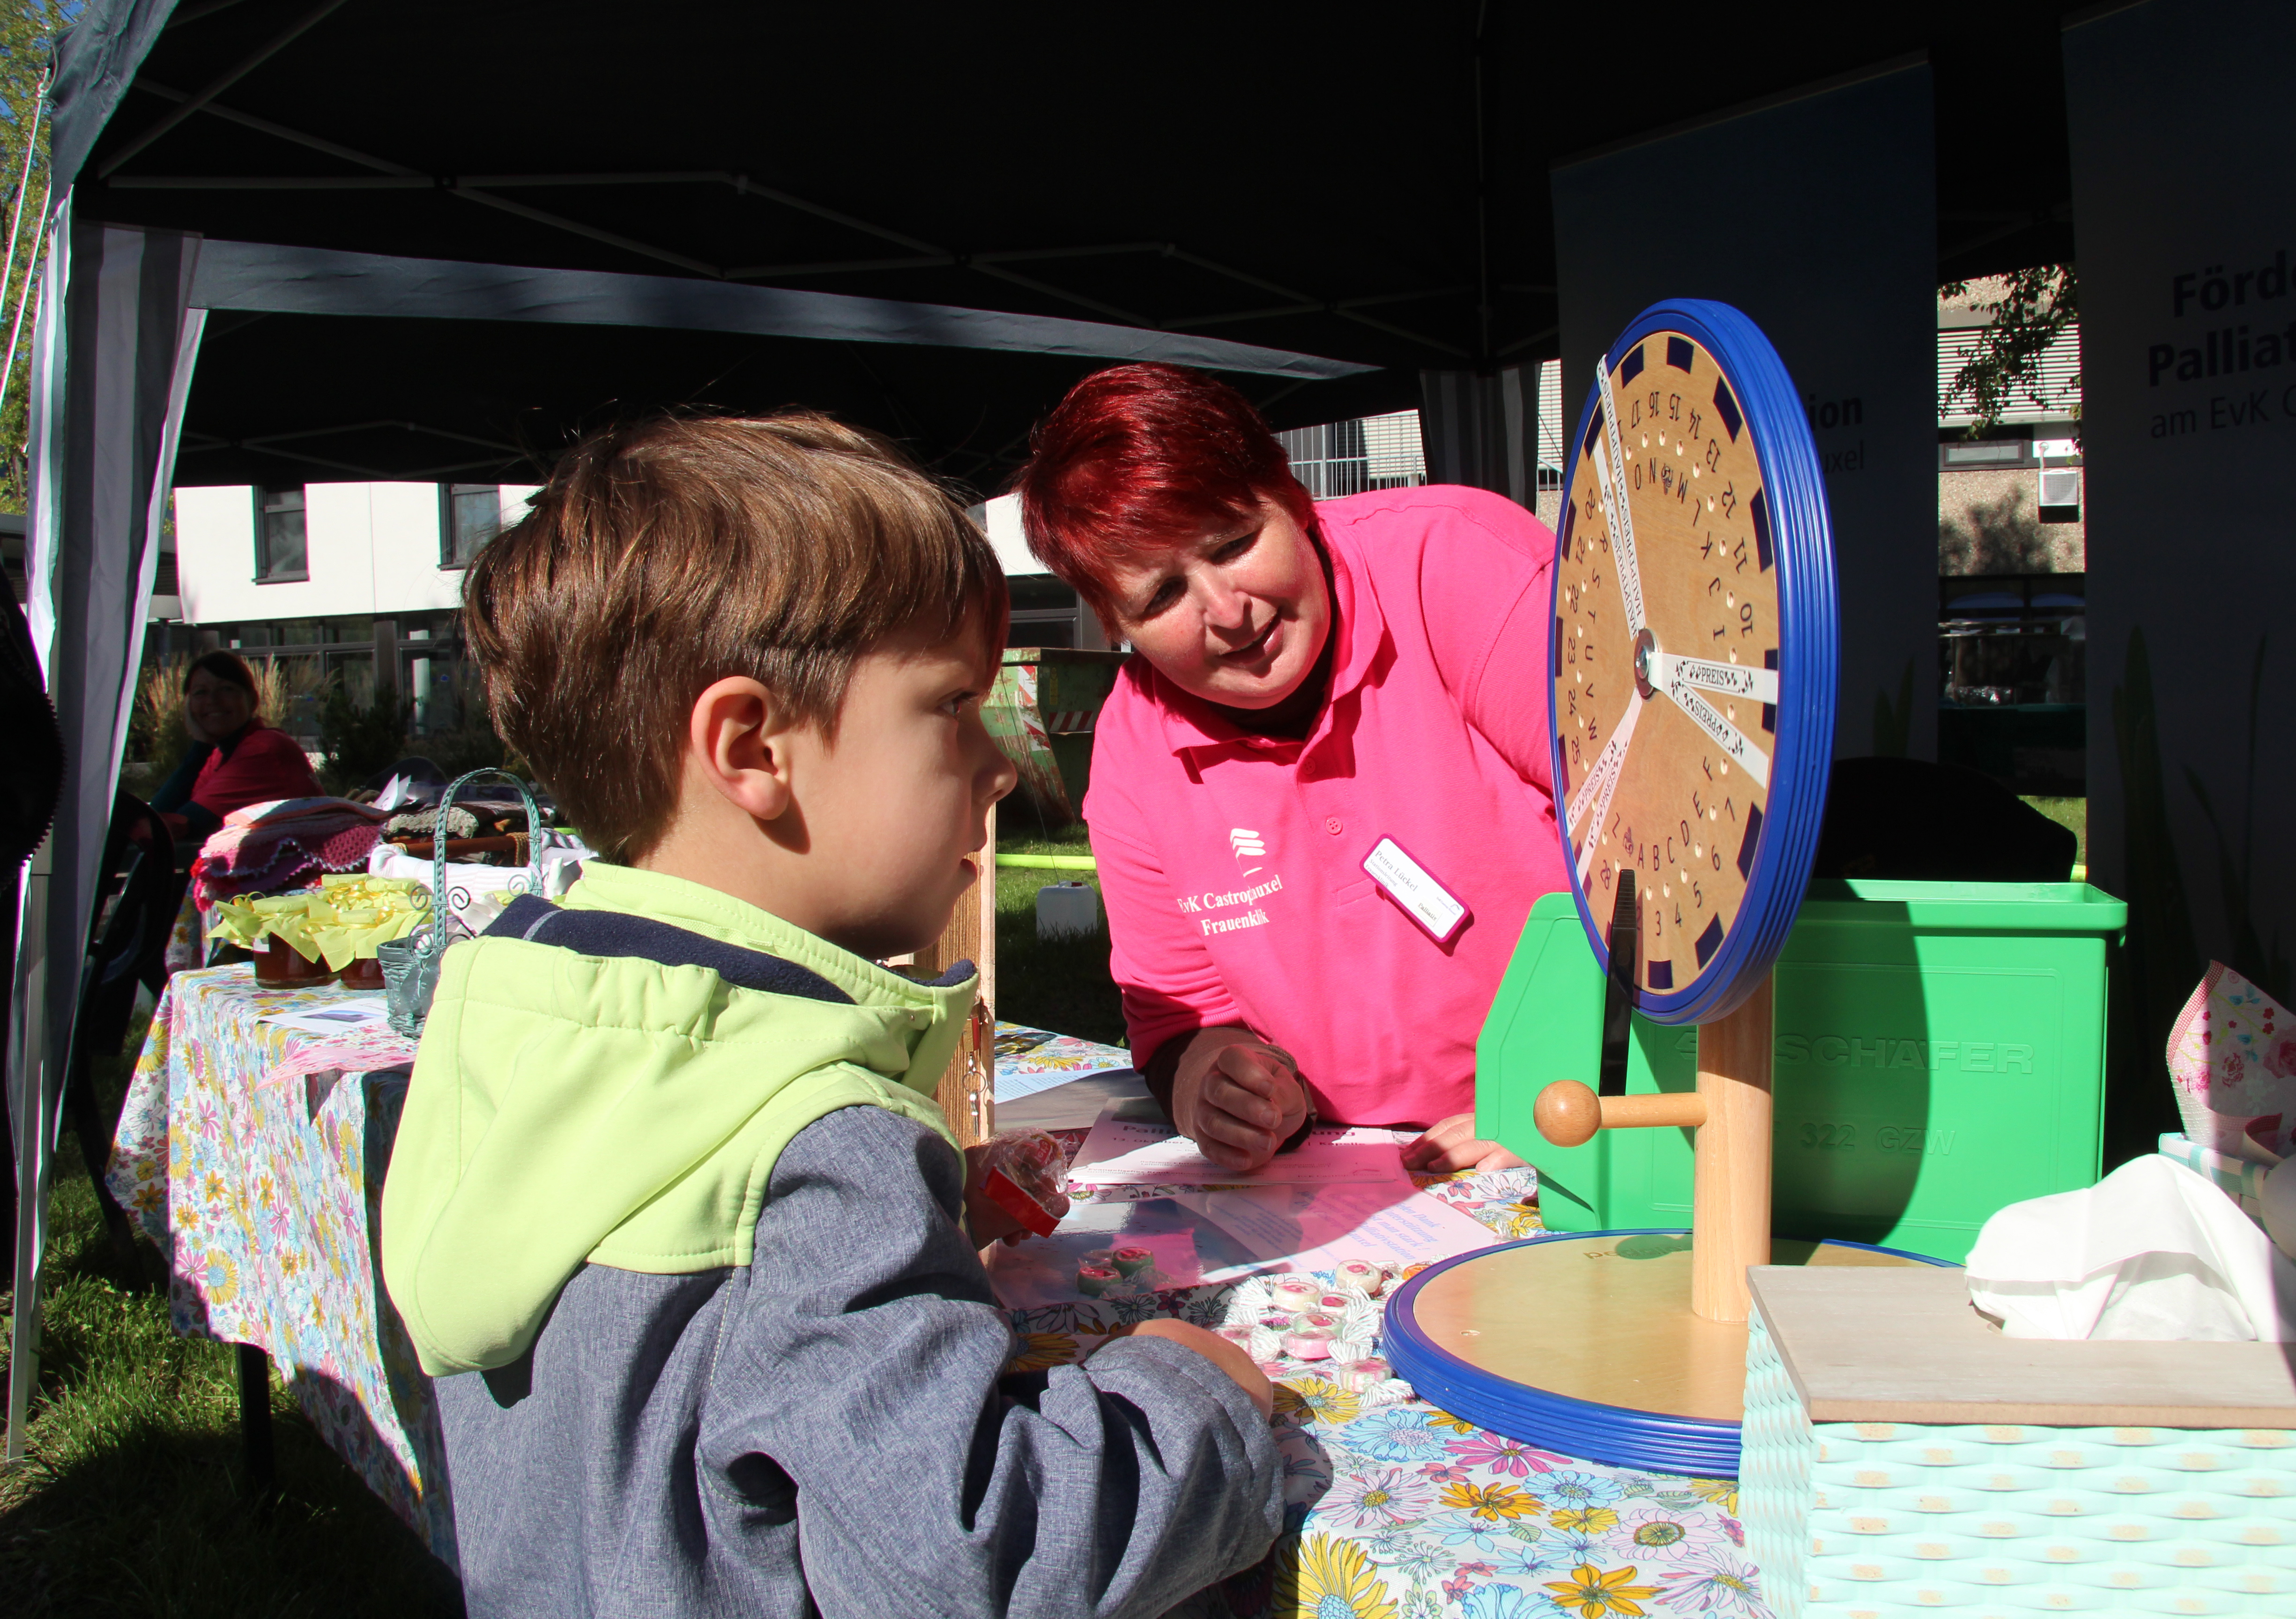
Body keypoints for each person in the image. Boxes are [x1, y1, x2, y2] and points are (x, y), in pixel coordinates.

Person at [380, 412, 1280, 1619]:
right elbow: (978, 1559)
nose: (999, 764)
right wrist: (1192, 1391)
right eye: (951, 706)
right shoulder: (820, 1145)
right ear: (752, 744)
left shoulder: (524, 1017)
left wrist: (917, 1213)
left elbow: (685, 1314)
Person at [1014, 365, 1567, 1177]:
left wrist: (1564, 1099)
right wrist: (1216, 1086)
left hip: (1596, 1112)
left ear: (1290, 494)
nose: (1228, 613)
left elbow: (1668, 852)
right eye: (1163, 594)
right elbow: (1180, 1019)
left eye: (1234, 543)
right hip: (1351, 1174)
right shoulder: (1135, 749)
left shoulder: (1454, 563)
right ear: (1112, 623)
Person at [148, 651, 321, 837]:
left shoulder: (262, 749)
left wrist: (200, 746)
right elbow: (155, 818)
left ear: (253, 700)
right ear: (188, 706)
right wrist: (202, 745)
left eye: (227, 689)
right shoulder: (220, 754)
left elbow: (169, 828)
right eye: (201, 692)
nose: (213, 701)